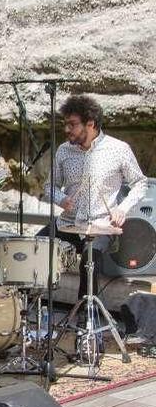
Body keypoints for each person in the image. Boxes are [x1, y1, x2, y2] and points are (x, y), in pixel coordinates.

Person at [39, 94, 147, 303]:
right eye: (65, 124)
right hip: (69, 223)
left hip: (101, 225)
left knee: (90, 260)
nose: (67, 129)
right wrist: (61, 198)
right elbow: (49, 186)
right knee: (34, 247)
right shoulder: (63, 151)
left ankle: (84, 319)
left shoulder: (119, 149)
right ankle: (30, 309)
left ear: (91, 123)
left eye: (72, 124)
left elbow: (140, 183)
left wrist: (122, 209)